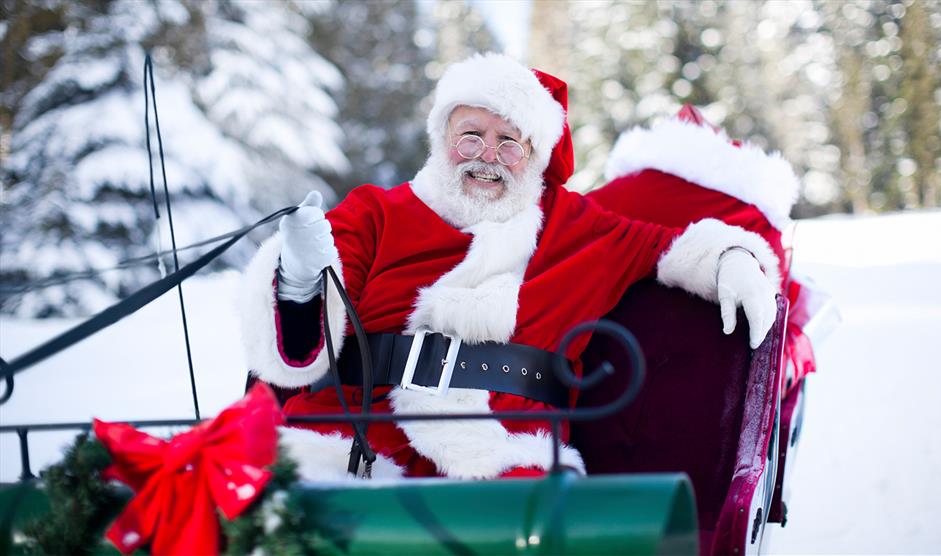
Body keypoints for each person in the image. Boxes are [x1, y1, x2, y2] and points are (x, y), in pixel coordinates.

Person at [239, 53, 781, 481]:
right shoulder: (374, 211)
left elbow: (669, 247)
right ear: (442, 139)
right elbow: (303, 339)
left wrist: (729, 259)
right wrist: (301, 279)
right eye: (471, 134)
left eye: (509, 143)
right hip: (347, 442)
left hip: (497, 455)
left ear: (535, 155)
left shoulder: (575, 224)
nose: (487, 155)